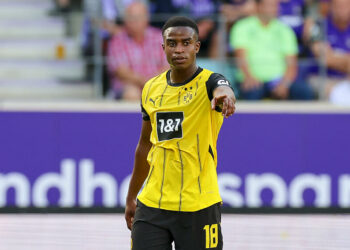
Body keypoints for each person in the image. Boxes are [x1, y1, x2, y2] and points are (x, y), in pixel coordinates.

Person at [125, 16, 236, 250]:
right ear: (163, 47)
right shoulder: (151, 88)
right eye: (172, 43)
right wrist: (132, 196)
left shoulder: (210, 82)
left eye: (186, 42)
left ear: (197, 46)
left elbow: (223, 87)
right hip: (153, 203)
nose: (179, 49)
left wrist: (225, 96)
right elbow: (145, 145)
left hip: (198, 205)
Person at [230, 0, 314, 100]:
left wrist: (284, 84)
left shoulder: (285, 30)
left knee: (304, 92)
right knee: (252, 91)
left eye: (275, 6)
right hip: (252, 79)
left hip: (279, 80)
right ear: (258, 7)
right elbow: (240, 58)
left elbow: (291, 63)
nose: (273, 9)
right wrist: (249, 77)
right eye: (269, 6)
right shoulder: (242, 26)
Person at [107, 2, 168, 100]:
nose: (134, 21)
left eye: (138, 17)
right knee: (132, 93)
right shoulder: (118, 40)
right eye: (131, 17)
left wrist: (152, 83)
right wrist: (144, 81)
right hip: (129, 86)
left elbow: (168, 66)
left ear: (147, 18)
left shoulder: (159, 37)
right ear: (125, 20)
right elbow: (121, 71)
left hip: (157, 84)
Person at [304, 0, 350, 99]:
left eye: (346, 6)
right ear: (331, 7)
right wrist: (347, 61)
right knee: (335, 94)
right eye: (339, 6)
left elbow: (330, 58)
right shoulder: (318, 25)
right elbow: (324, 58)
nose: (342, 10)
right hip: (322, 77)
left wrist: (333, 56)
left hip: (347, 78)